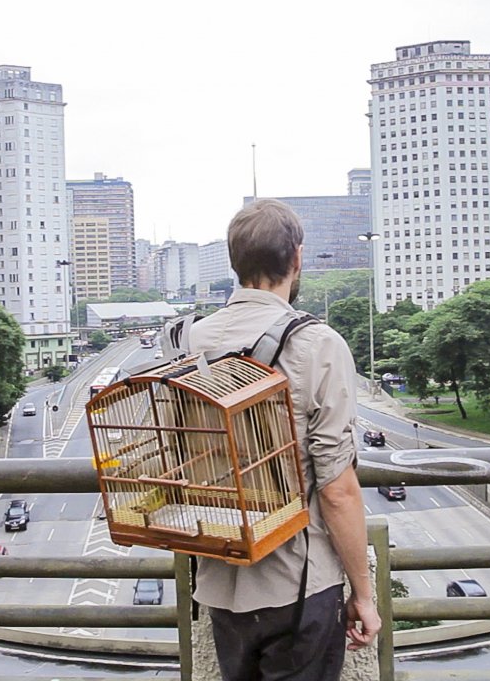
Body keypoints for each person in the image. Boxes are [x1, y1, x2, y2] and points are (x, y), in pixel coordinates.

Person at [187, 200, 381, 680]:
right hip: (299, 584)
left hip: (220, 578)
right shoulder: (318, 345)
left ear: (235, 263)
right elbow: (337, 490)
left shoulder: (191, 339)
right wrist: (363, 593)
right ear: (296, 259)